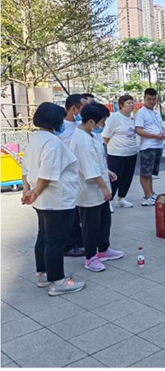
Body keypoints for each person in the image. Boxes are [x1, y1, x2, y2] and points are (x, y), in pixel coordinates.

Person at [21, 102, 86, 296]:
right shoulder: (52, 142)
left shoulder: (35, 139)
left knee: (44, 236)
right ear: (55, 121)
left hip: (43, 200)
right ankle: (57, 281)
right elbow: (47, 174)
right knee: (55, 240)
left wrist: (28, 190)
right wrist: (34, 192)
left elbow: (25, 169)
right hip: (55, 199)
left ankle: (44, 273)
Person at [71, 103, 124, 272]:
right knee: (91, 226)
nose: (103, 125)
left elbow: (98, 161)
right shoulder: (81, 140)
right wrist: (104, 188)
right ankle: (90, 257)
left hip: (100, 185)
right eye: (102, 121)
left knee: (104, 221)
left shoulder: (91, 135)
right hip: (89, 191)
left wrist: (107, 172)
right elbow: (89, 170)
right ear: (92, 121)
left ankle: (103, 249)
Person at [59, 94, 87, 257]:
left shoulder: (79, 125)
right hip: (65, 176)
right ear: (73, 108)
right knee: (69, 213)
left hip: (79, 175)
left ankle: (78, 239)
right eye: (82, 107)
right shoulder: (61, 127)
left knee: (77, 212)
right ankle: (69, 245)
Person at [135, 88, 165, 206]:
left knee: (150, 173)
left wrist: (164, 134)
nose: (151, 101)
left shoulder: (155, 112)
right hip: (147, 146)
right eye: (149, 99)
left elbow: (162, 126)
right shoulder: (141, 112)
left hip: (158, 145)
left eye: (154, 99)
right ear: (144, 98)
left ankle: (151, 193)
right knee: (145, 173)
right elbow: (139, 130)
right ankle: (147, 196)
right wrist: (154, 136)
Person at [102, 95, 138, 208]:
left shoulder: (133, 118)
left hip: (131, 152)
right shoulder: (114, 118)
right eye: (128, 103)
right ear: (121, 105)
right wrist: (113, 146)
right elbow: (106, 137)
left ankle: (121, 198)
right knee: (115, 177)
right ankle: (109, 200)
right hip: (116, 154)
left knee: (127, 177)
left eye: (132, 102)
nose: (132, 105)